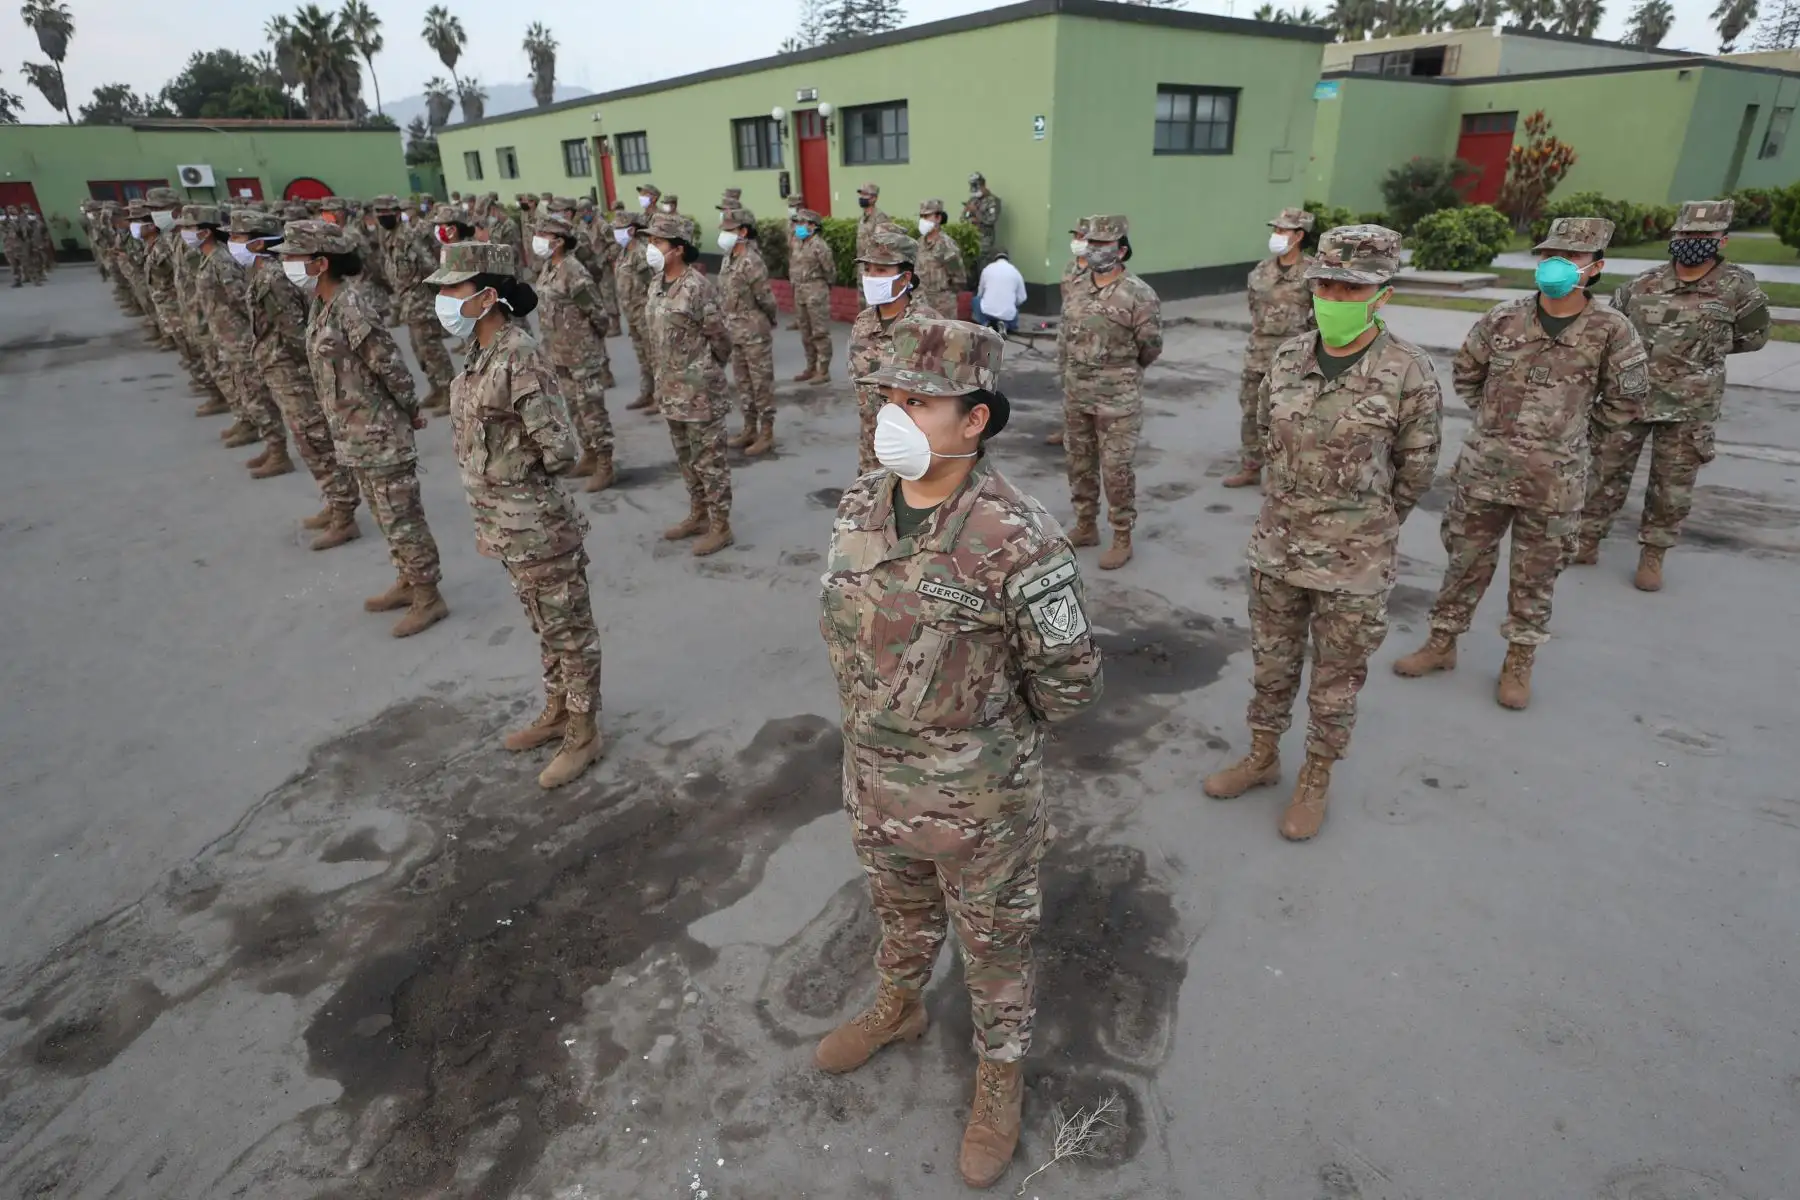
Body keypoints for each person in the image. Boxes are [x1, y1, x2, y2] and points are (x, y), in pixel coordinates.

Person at [817, 316, 1101, 1190]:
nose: (892, 417)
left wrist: (984, 741)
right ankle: (899, 1005)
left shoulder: (1018, 536)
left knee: (995, 945)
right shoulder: (863, 503)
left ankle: (1000, 1077)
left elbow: (1070, 682)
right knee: (900, 913)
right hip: (875, 783)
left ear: (974, 419)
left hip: (980, 807)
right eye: (888, 398)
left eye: (918, 402)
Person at [1203, 225, 1442, 841]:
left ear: (1382, 294)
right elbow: (1265, 432)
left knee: (1336, 682)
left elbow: (1416, 470)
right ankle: (1262, 755)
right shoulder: (1288, 358)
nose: (1334, 297)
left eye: (1351, 288)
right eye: (1326, 285)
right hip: (1278, 548)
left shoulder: (1409, 371)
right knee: (1272, 665)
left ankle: (1315, 777)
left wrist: (1363, 523)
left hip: (1354, 562)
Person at [1392, 217, 1647, 707]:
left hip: (1553, 482)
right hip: (1485, 470)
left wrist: (1572, 438)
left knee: (1537, 574)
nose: (1557, 265)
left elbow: (1626, 401)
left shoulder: (1612, 331)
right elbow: (1467, 373)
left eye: (1571, 257)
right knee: (1464, 561)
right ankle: (1442, 642)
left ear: (1595, 268)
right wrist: (1496, 422)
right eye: (1550, 255)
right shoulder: (1503, 319)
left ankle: (1518, 662)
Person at [428, 241, 604, 789]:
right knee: (544, 625)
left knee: (569, 632)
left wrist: (518, 477)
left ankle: (584, 732)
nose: (443, 299)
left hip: (537, 526)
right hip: (504, 525)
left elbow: (560, 448)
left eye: (453, 288)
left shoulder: (518, 354)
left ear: (487, 296)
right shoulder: (480, 352)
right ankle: (558, 710)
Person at [1573, 199, 1772, 592]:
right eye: (1686, 233)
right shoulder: (1641, 285)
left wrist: (1697, 360)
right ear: (1675, 235)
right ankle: (1587, 538)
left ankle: (1654, 552)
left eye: (1704, 235)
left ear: (1722, 240)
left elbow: (1753, 337)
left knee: (1672, 486)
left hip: (1689, 406)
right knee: (1603, 473)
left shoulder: (1738, 288)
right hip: (1628, 398)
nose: (1693, 240)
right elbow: (1612, 332)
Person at [282, 219, 451, 638]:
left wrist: (409, 408)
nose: (287, 263)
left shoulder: (350, 306)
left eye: (294, 256)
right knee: (383, 514)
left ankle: (428, 595)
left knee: (402, 517)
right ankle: (407, 580)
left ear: (321, 263)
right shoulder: (322, 305)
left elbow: (388, 362)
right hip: (352, 432)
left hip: (379, 431)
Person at [234, 209, 365, 542]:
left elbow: (295, 331)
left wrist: (307, 369)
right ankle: (335, 501)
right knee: (308, 441)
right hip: (282, 369)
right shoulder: (263, 273)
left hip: (294, 372)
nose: (231, 242)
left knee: (315, 440)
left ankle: (343, 511)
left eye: (237, 236)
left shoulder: (272, 278)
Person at [1058, 216, 1162, 571]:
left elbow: (1150, 346)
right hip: (1077, 394)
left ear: (1121, 250)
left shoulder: (1139, 294)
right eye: (1092, 243)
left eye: (1103, 244)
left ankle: (1121, 536)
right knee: (1079, 464)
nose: (1095, 250)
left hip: (1118, 400)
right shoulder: (1076, 287)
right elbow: (1065, 337)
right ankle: (1086, 524)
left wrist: (1122, 370)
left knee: (1116, 470)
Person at [644, 213, 736, 556]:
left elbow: (720, 338)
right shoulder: (656, 283)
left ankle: (721, 525)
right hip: (670, 390)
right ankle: (699, 514)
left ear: (678, 249)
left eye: (658, 242)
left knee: (710, 462)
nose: (651, 248)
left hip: (699, 393)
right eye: (650, 241)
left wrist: (705, 370)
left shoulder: (697, 287)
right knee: (686, 458)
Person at [185, 205, 292, 476]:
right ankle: (272, 444)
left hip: (241, 340)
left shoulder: (224, 262)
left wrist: (251, 338)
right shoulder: (221, 261)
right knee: (248, 393)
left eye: (238, 236)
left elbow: (242, 302)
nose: (232, 241)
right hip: (228, 337)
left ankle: (278, 451)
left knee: (257, 396)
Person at [1226, 207, 1317, 489]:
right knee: (1251, 411)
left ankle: (1280, 475)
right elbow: (1254, 309)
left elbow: (1322, 315)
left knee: (1287, 417)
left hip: (1294, 356)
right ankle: (1251, 467)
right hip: (1258, 353)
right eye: (1275, 230)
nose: (1276, 235)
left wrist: (1307, 342)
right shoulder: (1261, 271)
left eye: (1282, 230)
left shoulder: (1313, 272)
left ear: (1299, 235)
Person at [534, 213, 619, 491]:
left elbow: (597, 313)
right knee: (573, 407)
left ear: (559, 241)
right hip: (559, 354)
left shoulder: (574, 271)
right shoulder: (549, 267)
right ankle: (590, 455)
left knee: (592, 410)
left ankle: (605, 464)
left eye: (543, 235)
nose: (537, 240)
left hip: (582, 354)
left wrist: (588, 341)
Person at [847, 230, 942, 475]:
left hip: (914, 452)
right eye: (868, 269)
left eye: (881, 270)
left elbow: (941, 398)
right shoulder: (864, 321)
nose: (870, 277)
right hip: (871, 446)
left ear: (905, 277)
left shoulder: (928, 326)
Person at [376, 194, 455, 412]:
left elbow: (430, 265)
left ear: (396, 213)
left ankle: (450, 392)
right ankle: (436, 388)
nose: (382, 217)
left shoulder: (408, 237)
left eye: (386, 212)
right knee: (419, 350)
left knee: (432, 349)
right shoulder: (389, 237)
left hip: (421, 301)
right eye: (379, 213)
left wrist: (432, 295)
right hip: (407, 303)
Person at [717, 206, 781, 456]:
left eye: (729, 230)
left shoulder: (751, 261)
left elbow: (765, 298)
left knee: (761, 383)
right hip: (734, 332)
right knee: (743, 383)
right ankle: (749, 428)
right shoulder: (729, 258)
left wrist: (770, 319)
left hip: (754, 332)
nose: (723, 234)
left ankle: (766, 432)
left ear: (743, 231)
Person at [1046, 220, 1091, 449]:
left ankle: (1089, 433)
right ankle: (1069, 429)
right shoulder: (1069, 267)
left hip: (1088, 336)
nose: (1077, 241)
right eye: (1075, 236)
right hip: (1067, 333)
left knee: (1088, 384)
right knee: (1067, 380)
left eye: (1082, 237)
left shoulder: (1099, 271)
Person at [615, 208, 659, 411]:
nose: (616, 233)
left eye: (619, 228)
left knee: (653, 357)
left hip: (643, 314)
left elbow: (652, 285)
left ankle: (660, 397)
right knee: (643, 357)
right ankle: (647, 393)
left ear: (631, 230)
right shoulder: (624, 253)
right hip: (631, 313)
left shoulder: (641, 254)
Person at [789, 207, 836, 384]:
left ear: (813, 226)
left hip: (816, 291)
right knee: (805, 331)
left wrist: (822, 288)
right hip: (800, 291)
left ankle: (823, 370)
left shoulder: (820, 246)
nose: (798, 226)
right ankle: (811, 367)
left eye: (802, 223)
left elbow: (830, 271)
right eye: (797, 222)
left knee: (819, 332)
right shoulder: (797, 243)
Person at [914, 199, 967, 318]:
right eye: (921, 216)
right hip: (921, 304)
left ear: (938, 218)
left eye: (926, 216)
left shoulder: (947, 246)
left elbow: (959, 278)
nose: (922, 220)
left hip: (942, 306)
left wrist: (943, 292)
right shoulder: (919, 243)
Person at [973, 249, 1026, 332]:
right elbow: (1022, 297)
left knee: (975, 300)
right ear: (1008, 258)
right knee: (1014, 310)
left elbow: (980, 294)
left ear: (995, 258)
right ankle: (1005, 325)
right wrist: (1012, 303)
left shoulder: (987, 269)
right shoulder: (1016, 272)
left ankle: (986, 323)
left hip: (987, 313)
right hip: (1008, 316)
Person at [853, 183, 895, 282]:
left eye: (865, 195)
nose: (861, 197)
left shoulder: (881, 218)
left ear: (874, 198)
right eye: (861, 194)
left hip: (875, 270)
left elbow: (885, 247)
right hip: (862, 268)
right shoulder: (862, 218)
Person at [964, 173, 1002, 269]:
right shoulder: (972, 200)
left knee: (983, 268)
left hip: (985, 241)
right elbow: (963, 218)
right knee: (971, 269)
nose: (975, 191)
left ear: (983, 185)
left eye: (977, 187)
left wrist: (976, 212)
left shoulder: (993, 200)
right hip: (971, 240)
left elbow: (991, 220)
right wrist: (970, 219)